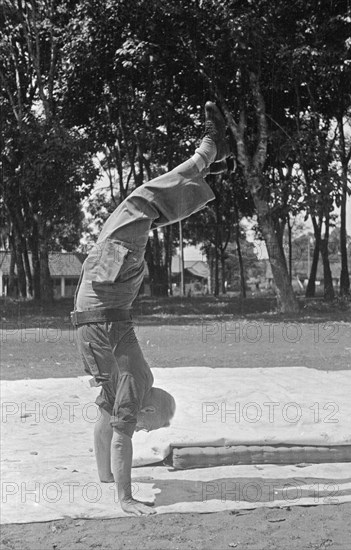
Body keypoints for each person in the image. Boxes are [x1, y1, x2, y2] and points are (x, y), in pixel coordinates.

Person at [71, 101, 230, 516]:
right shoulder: (134, 386)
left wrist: (108, 480)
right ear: (144, 407)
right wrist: (125, 498)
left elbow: (107, 430)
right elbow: (120, 435)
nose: (141, 430)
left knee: (143, 210)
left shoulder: (128, 394)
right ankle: (208, 152)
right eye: (149, 424)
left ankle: (209, 165)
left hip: (103, 301)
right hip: (107, 297)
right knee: (141, 205)